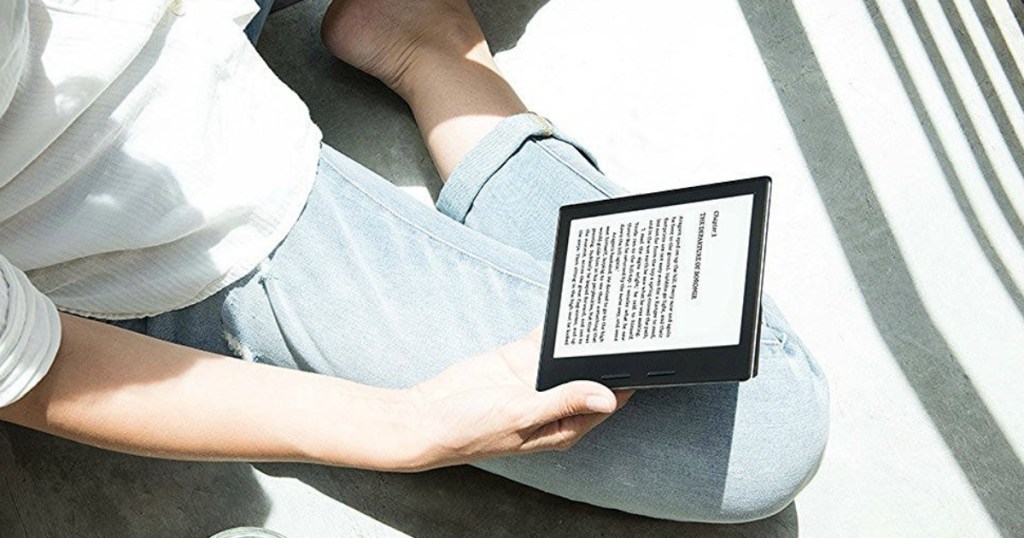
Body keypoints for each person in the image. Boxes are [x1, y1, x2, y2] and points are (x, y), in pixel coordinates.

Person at [0, 0, 829, 524]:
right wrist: (409, 425)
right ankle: (432, 54)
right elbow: (34, 368)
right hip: (170, 212)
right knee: (758, 425)